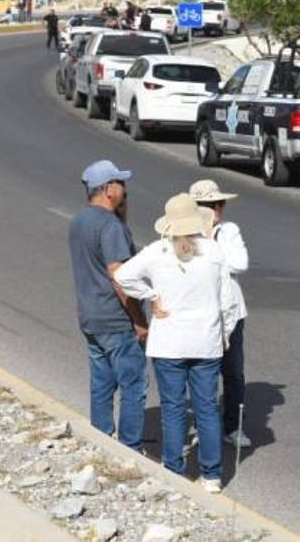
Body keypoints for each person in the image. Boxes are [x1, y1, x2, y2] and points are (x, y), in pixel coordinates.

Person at [114, 194, 237, 494]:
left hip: (169, 343)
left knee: (173, 408)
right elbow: (228, 302)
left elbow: (122, 276)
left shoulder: (158, 251)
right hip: (206, 342)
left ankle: (173, 469)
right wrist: (225, 335)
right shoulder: (213, 252)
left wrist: (151, 296)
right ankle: (212, 475)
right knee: (207, 408)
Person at [68, 160, 148, 452]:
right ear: (107, 189)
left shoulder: (78, 221)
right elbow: (118, 277)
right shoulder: (110, 225)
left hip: (90, 316)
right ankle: (129, 448)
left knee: (101, 382)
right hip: (116, 319)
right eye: (120, 183)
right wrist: (138, 320)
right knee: (133, 385)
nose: (125, 190)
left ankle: (101, 441)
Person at [189, 180, 250, 447]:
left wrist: (209, 250)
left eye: (217, 205)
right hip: (200, 311)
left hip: (231, 312)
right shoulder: (183, 233)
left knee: (233, 371)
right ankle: (204, 425)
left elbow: (240, 263)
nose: (215, 210)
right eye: (208, 205)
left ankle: (233, 427)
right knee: (203, 371)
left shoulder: (228, 231)